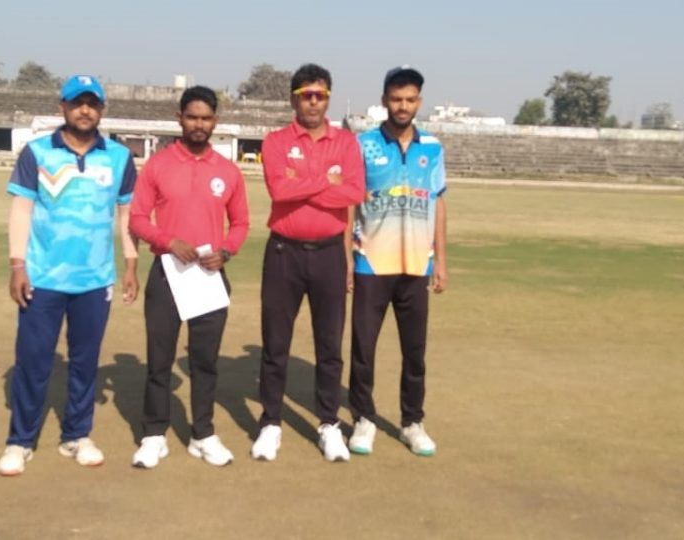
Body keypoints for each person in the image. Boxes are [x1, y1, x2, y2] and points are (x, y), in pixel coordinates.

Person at [0, 74, 140, 476]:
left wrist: (130, 263)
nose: (85, 110)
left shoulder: (118, 157)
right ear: (62, 107)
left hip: (94, 279)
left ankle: (77, 435)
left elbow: (126, 213)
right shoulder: (38, 152)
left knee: (84, 362)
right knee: (33, 361)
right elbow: (21, 210)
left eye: (92, 103)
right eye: (77, 103)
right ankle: (20, 440)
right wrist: (17, 265)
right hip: (42, 278)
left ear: (102, 110)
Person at [128, 85, 250, 469]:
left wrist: (226, 250)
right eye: (192, 117)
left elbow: (241, 223)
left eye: (206, 118)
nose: (199, 124)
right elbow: (137, 218)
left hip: (209, 276)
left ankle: (203, 434)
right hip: (168, 274)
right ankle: (154, 434)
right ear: (179, 118)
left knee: (204, 362)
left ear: (215, 121)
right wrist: (168, 241)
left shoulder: (227, 171)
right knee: (159, 361)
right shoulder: (158, 165)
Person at [250, 63, 365, 463]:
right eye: (306, 95)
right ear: (293, 98)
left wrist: (303, 183)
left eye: (320, 95)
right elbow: (279, 190)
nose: (313, 102)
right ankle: (270, 423)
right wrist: (326, 182)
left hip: (329, 253)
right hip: (284, 253)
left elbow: (354, 193)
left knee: (330, 345)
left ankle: (329, 423)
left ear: (328, 98)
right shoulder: (276, 140)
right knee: (275, 344)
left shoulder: (345, 143)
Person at [348, 66, 448, 457]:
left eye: (409, 100)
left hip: (416, 265)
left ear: (418, 101)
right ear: (384, 100)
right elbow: (349, 205)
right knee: (363, 348)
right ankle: (363, 419)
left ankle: (412, 422)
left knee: (414, 351)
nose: (402, 106)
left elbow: (438, 203)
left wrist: (441, 261)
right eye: (396, 99)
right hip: (371, 264)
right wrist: (346, 258)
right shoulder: (364, 145)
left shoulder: (432, 147)